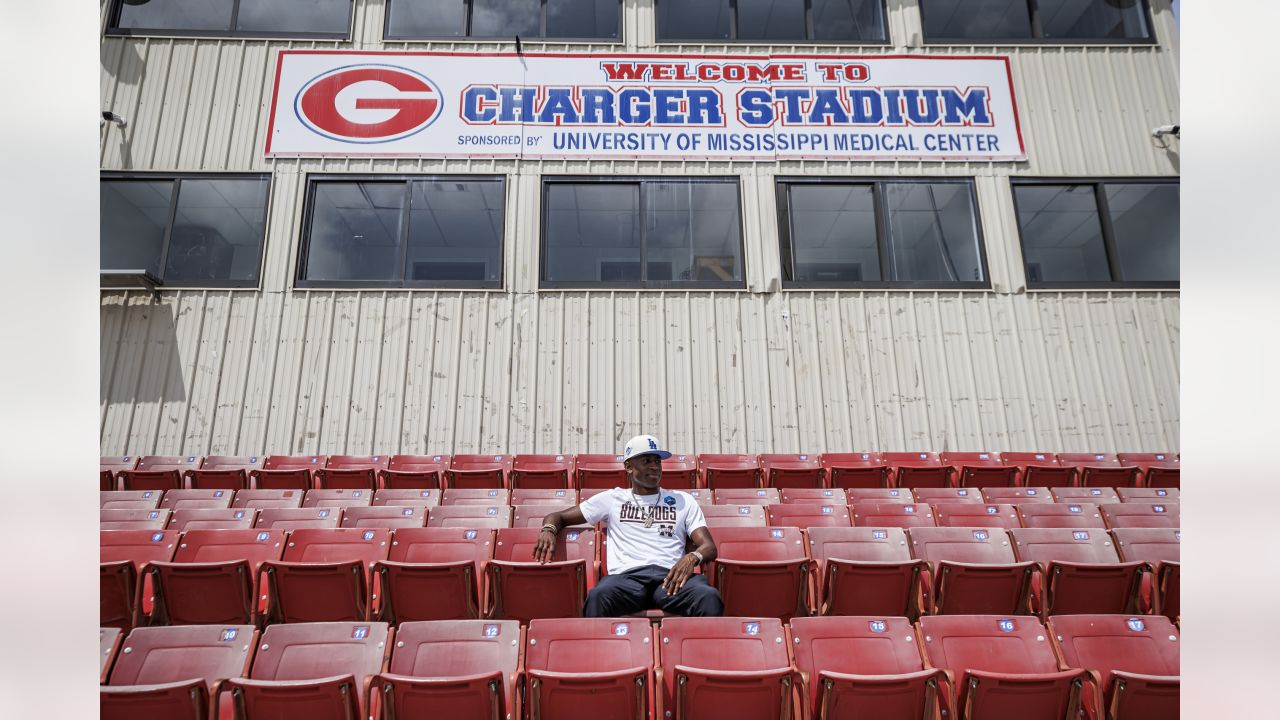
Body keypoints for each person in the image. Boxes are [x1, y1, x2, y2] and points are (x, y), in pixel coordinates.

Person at [533, 434, 723, 617]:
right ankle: (599, 650)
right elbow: (558, 517)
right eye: (646, 461)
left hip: (671, 579)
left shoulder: (683, 500)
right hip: (626, 580)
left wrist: (692, 557)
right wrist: (549, 530)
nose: (655, 467)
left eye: (657, 461)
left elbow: (709, 547)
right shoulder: (613, 499)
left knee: (708, 597)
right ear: (629, 467)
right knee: (598, 596)